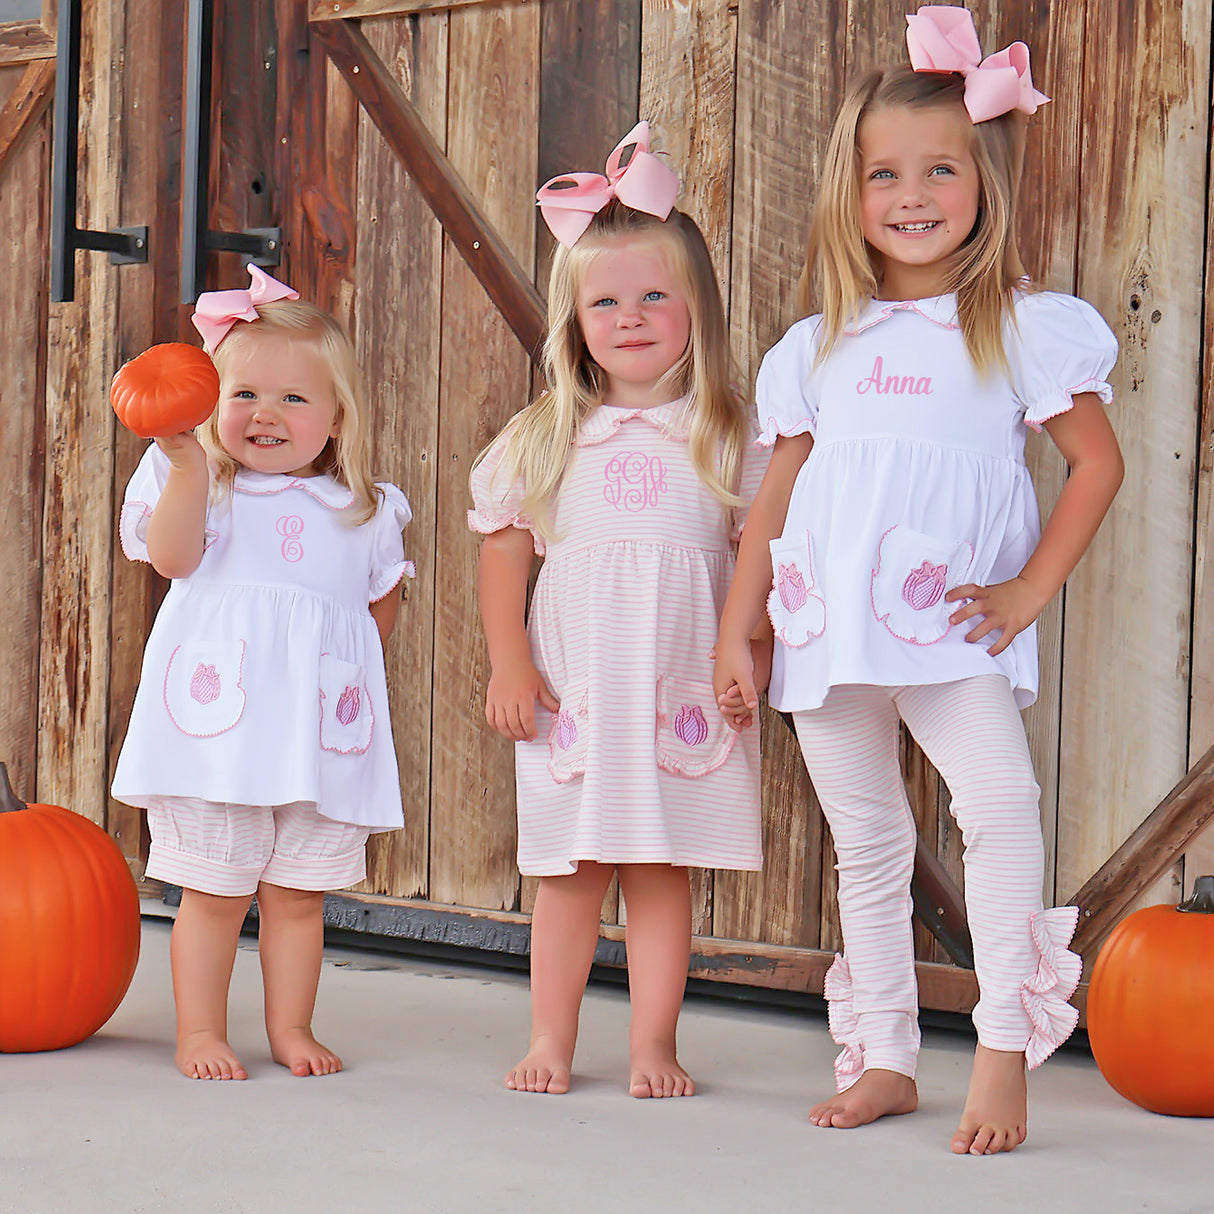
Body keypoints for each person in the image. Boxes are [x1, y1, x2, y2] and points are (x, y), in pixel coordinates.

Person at [712, 7, 1123, 1154]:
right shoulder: (816, 344)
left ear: (981, 181)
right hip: (825, 633)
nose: (910, 192)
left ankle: (1001, 1049)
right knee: (869, 839)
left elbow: (1096, 465)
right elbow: (774, 502)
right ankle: (884, 1051)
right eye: (882, 172)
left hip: (949, 633)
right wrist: (736, 631)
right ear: (848, 193)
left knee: (996, 809)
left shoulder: (1016, 326)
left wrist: (1026, 591)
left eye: (938, 168)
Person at [470, 123, 767, 1099]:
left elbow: (754, 555)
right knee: (568, 870)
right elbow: (502, 553)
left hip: (676, 683)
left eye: (653, 296)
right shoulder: (546, 434)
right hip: (577, 688)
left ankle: (653, 1044)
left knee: (658, 868)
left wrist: (746, 645)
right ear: (573, 318)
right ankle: (550, 1038)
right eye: (604, 300)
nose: (629, 316)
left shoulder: (725, 427)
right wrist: (508, 661)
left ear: (697, 309)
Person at [112, 267, 413, 1081]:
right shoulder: (202, 485)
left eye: (292, 400)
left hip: (314, 741)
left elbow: (376, 605)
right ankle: (200, 1032)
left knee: (298, 896)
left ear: (336, 417)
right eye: (243, 394)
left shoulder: (365, 507)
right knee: (215, 890)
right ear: (211, 404)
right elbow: (171, 559)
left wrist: (343, 682)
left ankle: (291, 1027)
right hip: (219, 734)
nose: (265, 415)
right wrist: (181, 467)